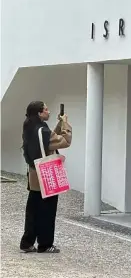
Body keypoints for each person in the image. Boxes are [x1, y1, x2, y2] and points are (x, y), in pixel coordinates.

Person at [19, 101, 72, 253]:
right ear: (39, 113)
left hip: (34, 174)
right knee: (47, 211)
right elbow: (64, 141)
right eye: (46, 109)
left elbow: (48, 139)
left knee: (33, 210)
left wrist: (58, 123)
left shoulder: (30, 127)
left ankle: (27, 242)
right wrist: (66, 124)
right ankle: (45, 244)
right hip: (47, 174)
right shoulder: (43, 130)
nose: (48, 112)